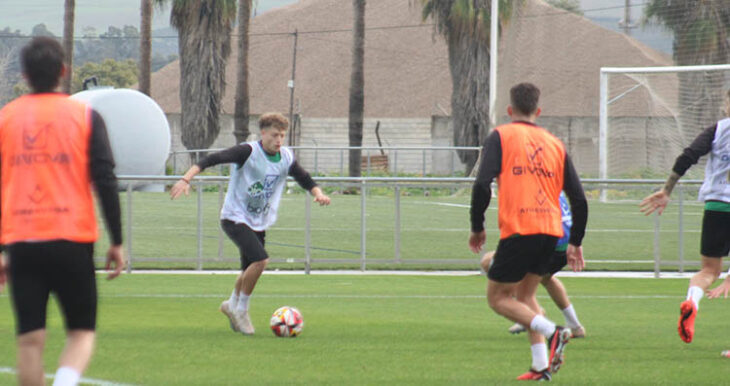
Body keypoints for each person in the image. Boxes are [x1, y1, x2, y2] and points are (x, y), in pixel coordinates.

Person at [0, 37, 125, 386]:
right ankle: (65, 382)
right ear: (63, 72)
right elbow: (105, 178)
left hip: (22, 241)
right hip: (72, 238)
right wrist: (117, 240)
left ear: (24, 75)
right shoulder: (85, 115)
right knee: (82, 332)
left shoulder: (5, 119)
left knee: (29, 340)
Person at [170, 112, 330, 335]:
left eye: (282, 135)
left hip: (258, 221)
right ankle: (241, 310)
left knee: (248, 270)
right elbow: (210, 160)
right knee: (261, 260)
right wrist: (186, 179)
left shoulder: (285, 157)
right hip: (234, 217)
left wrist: (318, 193)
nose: (279, 140)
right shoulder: (248, 152)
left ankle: (231, 304)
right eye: (274, 135)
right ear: (263, 133)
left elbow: (304, 177)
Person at [469, 83, 588, 381]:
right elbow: (579, 198)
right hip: (552, 231)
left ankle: (554, 332)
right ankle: (540, 365)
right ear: (539, 111)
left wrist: (477, 226)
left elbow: (482, 183)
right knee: (526, 296)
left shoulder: (502, 135)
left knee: (498, 298)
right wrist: (576, 241)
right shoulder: (555, 143)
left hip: (521, 228)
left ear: (510, 110)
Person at [640, 89, 730, 345]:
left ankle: (692, 301)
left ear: (726, 105)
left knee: (708, 271)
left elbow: (688, 156)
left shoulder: (718, 130)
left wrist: (667, 190)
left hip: (716, 207)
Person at [481, 193, 586, 338]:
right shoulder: (550, 183)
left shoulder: (529, 187)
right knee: (546, 279)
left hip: (549, 242)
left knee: (488, 263)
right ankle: (574, 326)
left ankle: (530, 318)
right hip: (563, 245)